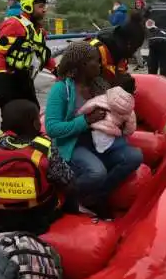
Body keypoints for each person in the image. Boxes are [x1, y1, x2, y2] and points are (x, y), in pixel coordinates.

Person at [44, 42, 143, 217]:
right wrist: (85, 121)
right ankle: (64, 200)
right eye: (95, 61)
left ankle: (96, 196)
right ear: (82, 65)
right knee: (96, 172)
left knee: (134, 156)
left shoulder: (100, 85)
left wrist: (117, 122)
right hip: (73, 145)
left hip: (100, 142)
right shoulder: (61, 90)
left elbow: (115, 111)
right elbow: (52, 128)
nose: (99, 65)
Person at [0, 99, 76, 235]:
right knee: (70, 185)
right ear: (35, 124)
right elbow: (65, 179)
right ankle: (75, 218)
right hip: (37, 217)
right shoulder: (45, 146)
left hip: (1, 217)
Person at [0, 0, 56, 110]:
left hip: (25, 79)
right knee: (13, 119)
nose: (44, 10)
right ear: (29, 6)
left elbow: (43, 54)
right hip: (10, 80)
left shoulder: (39, 31)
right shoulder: (14, 25)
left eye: (44, 6)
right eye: (41, 6)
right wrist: (1, 82)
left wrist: (58, 71)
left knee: (33, 112)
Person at [77, 74, 137, 153]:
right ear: (132, 91)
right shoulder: (130, 109)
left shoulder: (103, 97)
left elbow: (88, 106)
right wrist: (122, 132)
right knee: (125, 142)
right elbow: (130, 130)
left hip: (93, 133)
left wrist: (79, 114)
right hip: (110, 140)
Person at [87, 20, 145, 86]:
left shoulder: (122, 53)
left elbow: (120, 73)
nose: (134, 53)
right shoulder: (95, 50)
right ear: (129, 44)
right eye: (136, 48)